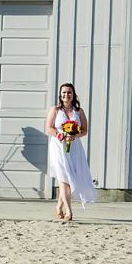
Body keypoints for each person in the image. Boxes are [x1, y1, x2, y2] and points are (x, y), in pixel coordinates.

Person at [45, 83, 97, 221]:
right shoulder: (55, 110)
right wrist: (61, 135)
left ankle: (58, 207)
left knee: (70, 177)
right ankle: (69, 211)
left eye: (69, 92)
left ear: (73, 95)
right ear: (60, 95)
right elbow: (49, 128)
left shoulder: (79, 112)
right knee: (64, 178)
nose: (66, 95)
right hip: (58, 146)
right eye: (63, 93)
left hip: (74, 148)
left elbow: (84, 130)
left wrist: (75, 135)